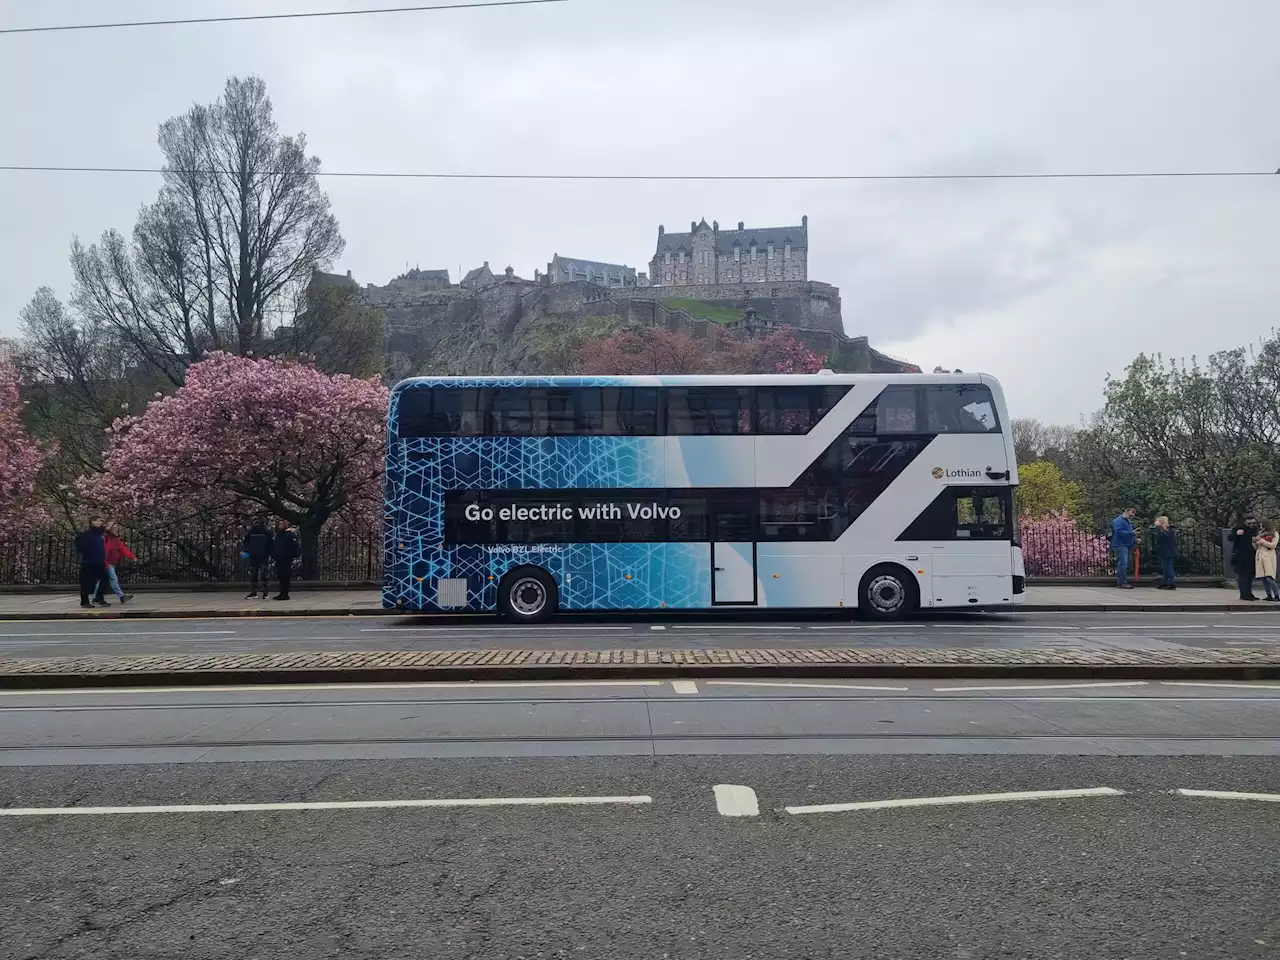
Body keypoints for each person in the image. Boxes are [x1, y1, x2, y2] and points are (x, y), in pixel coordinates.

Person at [91, 522, 135, 605]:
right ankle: (121, 597)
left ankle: (95, 598)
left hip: (112, 563)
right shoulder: (104, 538)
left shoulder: (115, 540)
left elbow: (122, 549)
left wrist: (132, 556)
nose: (116, 530)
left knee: (102, 581)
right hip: (105, 562)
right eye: (114, 528)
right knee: (113, 579)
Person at [74, 518, 109, 609]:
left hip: (99, 562)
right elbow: (79, 544)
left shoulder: (100, 534)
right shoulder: (87, 534)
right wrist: (87, 553)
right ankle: (85, 601)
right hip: (88, 562)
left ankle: (99, 598)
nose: (100, 522)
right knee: (86, 583)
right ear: (92, 522)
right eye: (98, 521)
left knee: (105, 578)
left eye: (101, 521)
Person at [243, 517, 274, 599]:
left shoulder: (266, 532)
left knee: (264, 575)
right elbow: (246, 543)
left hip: (263, 556)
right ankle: (254, 592)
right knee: (254, 575)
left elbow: (270, 544)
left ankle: (265, 592)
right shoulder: (251, 533)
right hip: (255, 556)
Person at [1230, 516, 1260, 601]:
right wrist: (1236, 534)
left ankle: (1248, 593)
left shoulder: (1256, 530)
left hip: (1252, 556)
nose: (1251, 525)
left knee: (1250, 576)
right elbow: (1230, 538)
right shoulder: (1239, 529)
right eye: (1249, 523)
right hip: (1241, 557)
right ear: (1245, 523)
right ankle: (1244, 594)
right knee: (1243, 577)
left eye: (1253, 523)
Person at [269, 518, 300, 601]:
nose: (281, 526)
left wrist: (288, 555)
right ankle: (282, 593)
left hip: (286, 558)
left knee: (285, 576)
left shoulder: (288, 535)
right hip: (279, 558)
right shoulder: (278, 535)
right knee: (280, 576)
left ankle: (285, 594)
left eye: (282, 524)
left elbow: (292, 546)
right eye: (279, 524)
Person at [1110, 507, 1138, 589]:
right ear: (1127, 512)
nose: (1132, 516)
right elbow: (1118, 532)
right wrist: (1131, 533)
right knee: (1122, 564)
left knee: (1125, 564)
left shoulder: (1127, 521)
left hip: (1127, 544)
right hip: (1120, 545)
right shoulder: (1118, 521)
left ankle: (1122, 582)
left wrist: (1134, 537)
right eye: (1131, 514)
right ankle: (1121, 583)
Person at [1254, 520, 1279, 602]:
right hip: (1260, 557)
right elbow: (1256, 547)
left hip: (1268, 557)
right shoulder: (1260, 535)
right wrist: (1255, 541)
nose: (1261, 528)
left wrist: (1262, 541)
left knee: (1269, 577)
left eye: (1262, 526)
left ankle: (1276, 595)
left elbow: (1273, 545)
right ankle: (1269, 595)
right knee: (1263, 578)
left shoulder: (1274, 534)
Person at [1153, 516, 1177, 590]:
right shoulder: (1165, 530)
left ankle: (1171, 583)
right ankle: (1165, 582)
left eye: (1158, 521)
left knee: (1168, 567)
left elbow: (1161, 539)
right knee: (1165, 567)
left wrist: (1158, 528)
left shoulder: (1168, 531)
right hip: (1165, 551)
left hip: (1167, 551)